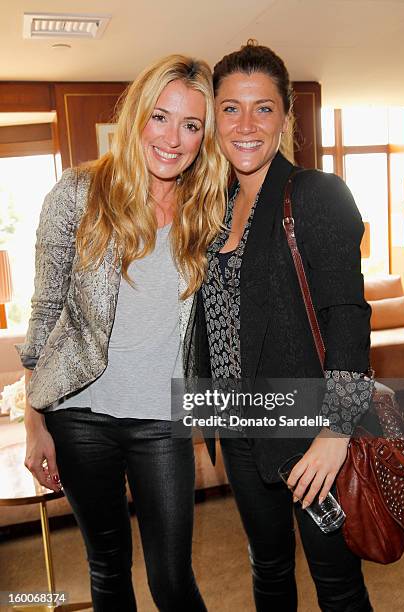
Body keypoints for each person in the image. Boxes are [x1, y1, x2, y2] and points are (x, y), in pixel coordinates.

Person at [18, 54, 227, 612]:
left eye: (191, 125)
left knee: (172, 580)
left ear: (204, 136)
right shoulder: (78, 193)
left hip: (163, 418)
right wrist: (35, 419)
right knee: (108, 569)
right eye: (161, 117)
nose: (173, 139)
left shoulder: (209, 209)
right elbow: (46, 311)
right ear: (137, 115)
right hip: (80, 414)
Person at [184, 42, 374, 611]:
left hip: (309, 429)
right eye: (230, 108)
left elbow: (347, 315)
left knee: (336, 584)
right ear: (214, 115)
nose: (246, 125)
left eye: (263, 108)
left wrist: (336, 433)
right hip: (238, 428)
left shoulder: (316, 193)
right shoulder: (212, 208)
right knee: (267, 570)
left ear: (285, 117)